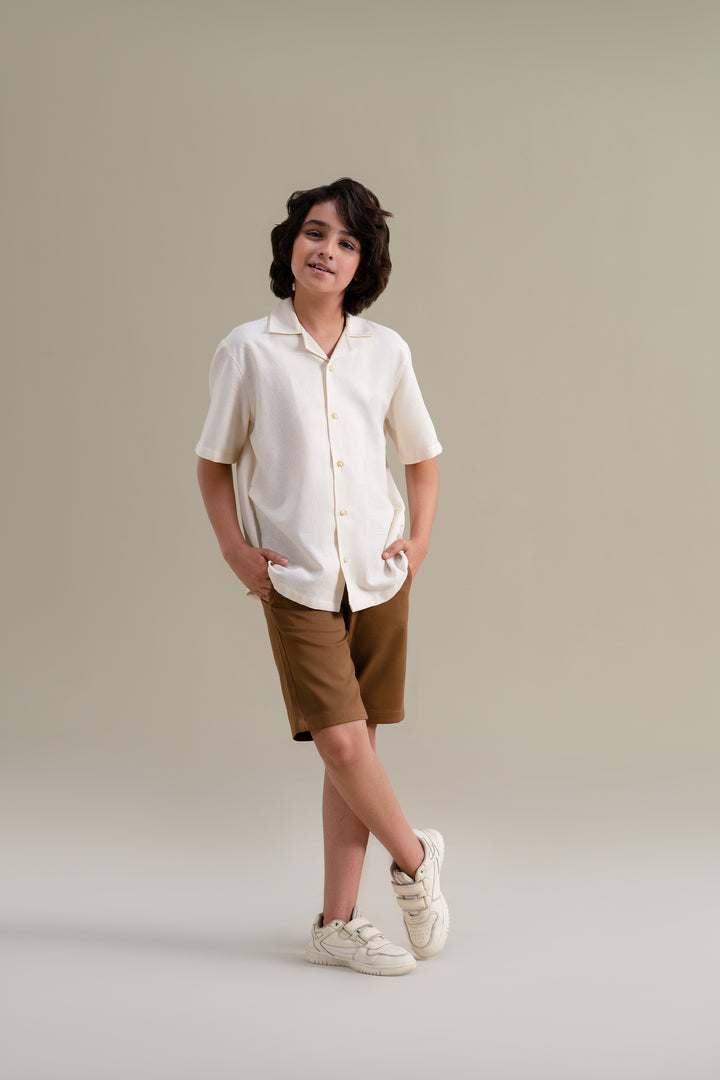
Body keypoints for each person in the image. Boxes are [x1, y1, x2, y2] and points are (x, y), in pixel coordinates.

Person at [196, 178, 448, 976]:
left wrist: (418, 542)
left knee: (356, 750)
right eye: (315, 233)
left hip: (377, 573)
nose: (327, 251)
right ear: (290, 243)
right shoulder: (248, 349)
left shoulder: (387, 351)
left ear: (363, 263)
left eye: (346, 242)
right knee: (340, 742)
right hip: (295, 577)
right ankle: (415, 860)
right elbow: (213, 464)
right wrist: (236, 551)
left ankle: (336, 923)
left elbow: (422, 458)